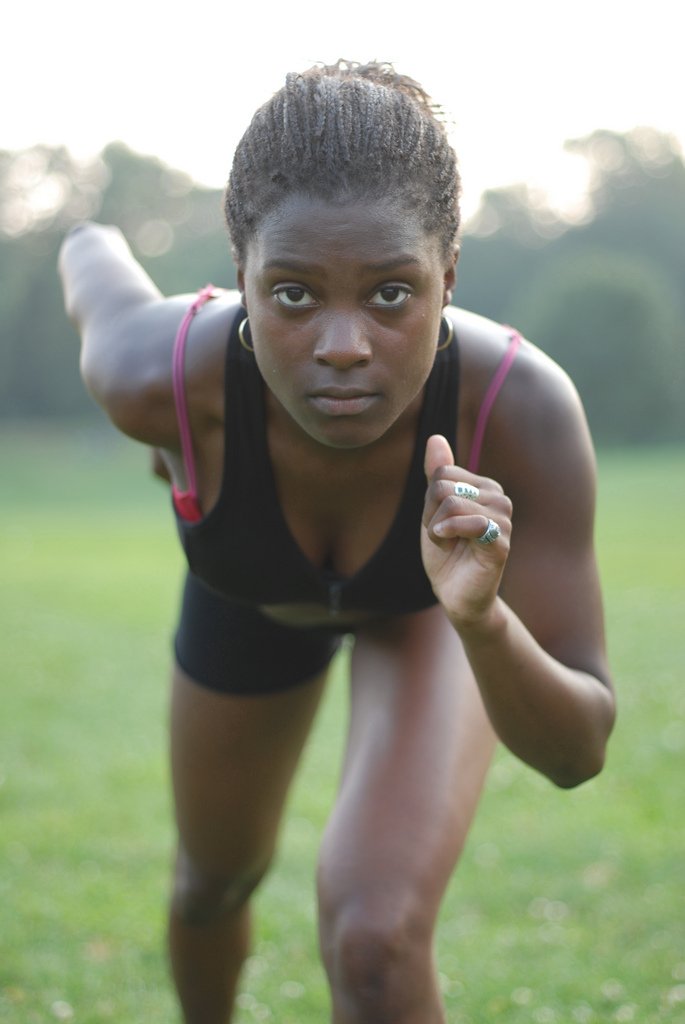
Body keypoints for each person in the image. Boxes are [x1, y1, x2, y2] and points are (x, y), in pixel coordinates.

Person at [58, 60, 615, 1024]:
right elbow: (88, 258)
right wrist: (85, 225)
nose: (345, 345)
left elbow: (578, 751)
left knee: (374, 935)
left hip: (429, 614)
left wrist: (482, 623)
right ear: (238, 280)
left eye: (393, 295)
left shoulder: (520, 407)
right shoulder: (156, 378)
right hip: (248, 601)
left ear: (447, 278)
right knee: (211, 885)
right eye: (294, 295)